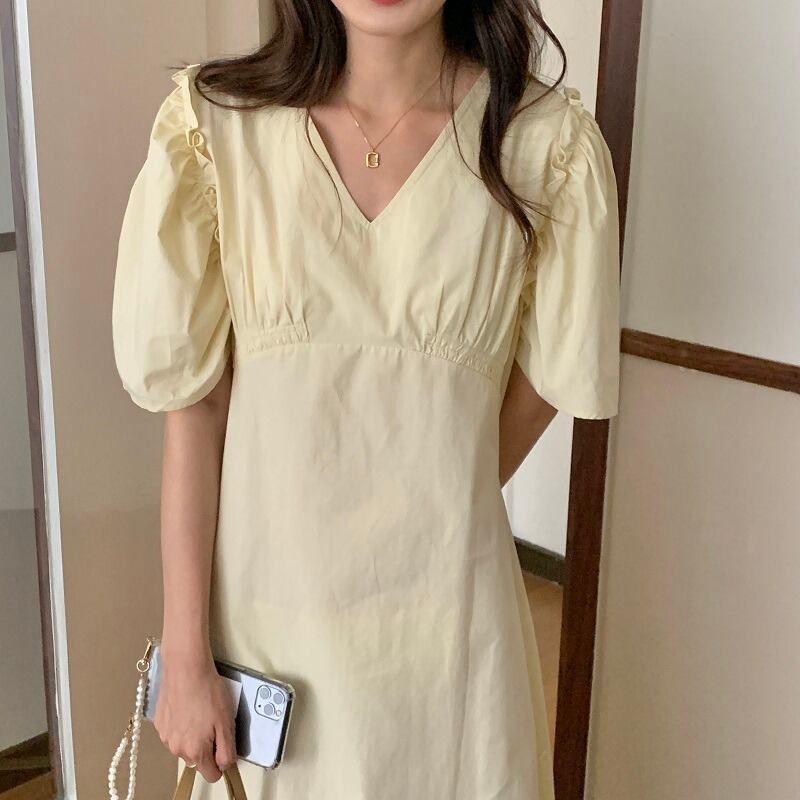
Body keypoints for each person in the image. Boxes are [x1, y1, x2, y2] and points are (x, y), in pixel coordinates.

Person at [112, 0, 620, 797]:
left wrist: (430, 493)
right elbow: (196, 407)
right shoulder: (217, 131)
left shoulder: (544, 147)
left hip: (448, 634)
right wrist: (184, 653)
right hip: (270, 628)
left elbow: (548, 383)